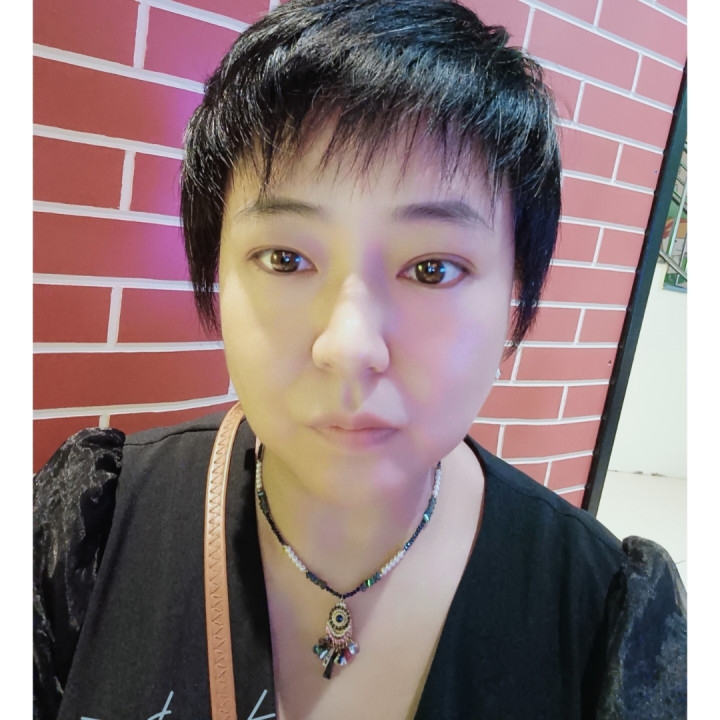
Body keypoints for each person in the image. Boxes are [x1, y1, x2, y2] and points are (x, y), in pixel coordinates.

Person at [33, 0, 687, 718]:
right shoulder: (84, 533)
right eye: (285, 258)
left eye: (432, 269)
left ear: (515, 297)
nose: (349, 347)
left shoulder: (604, 618)